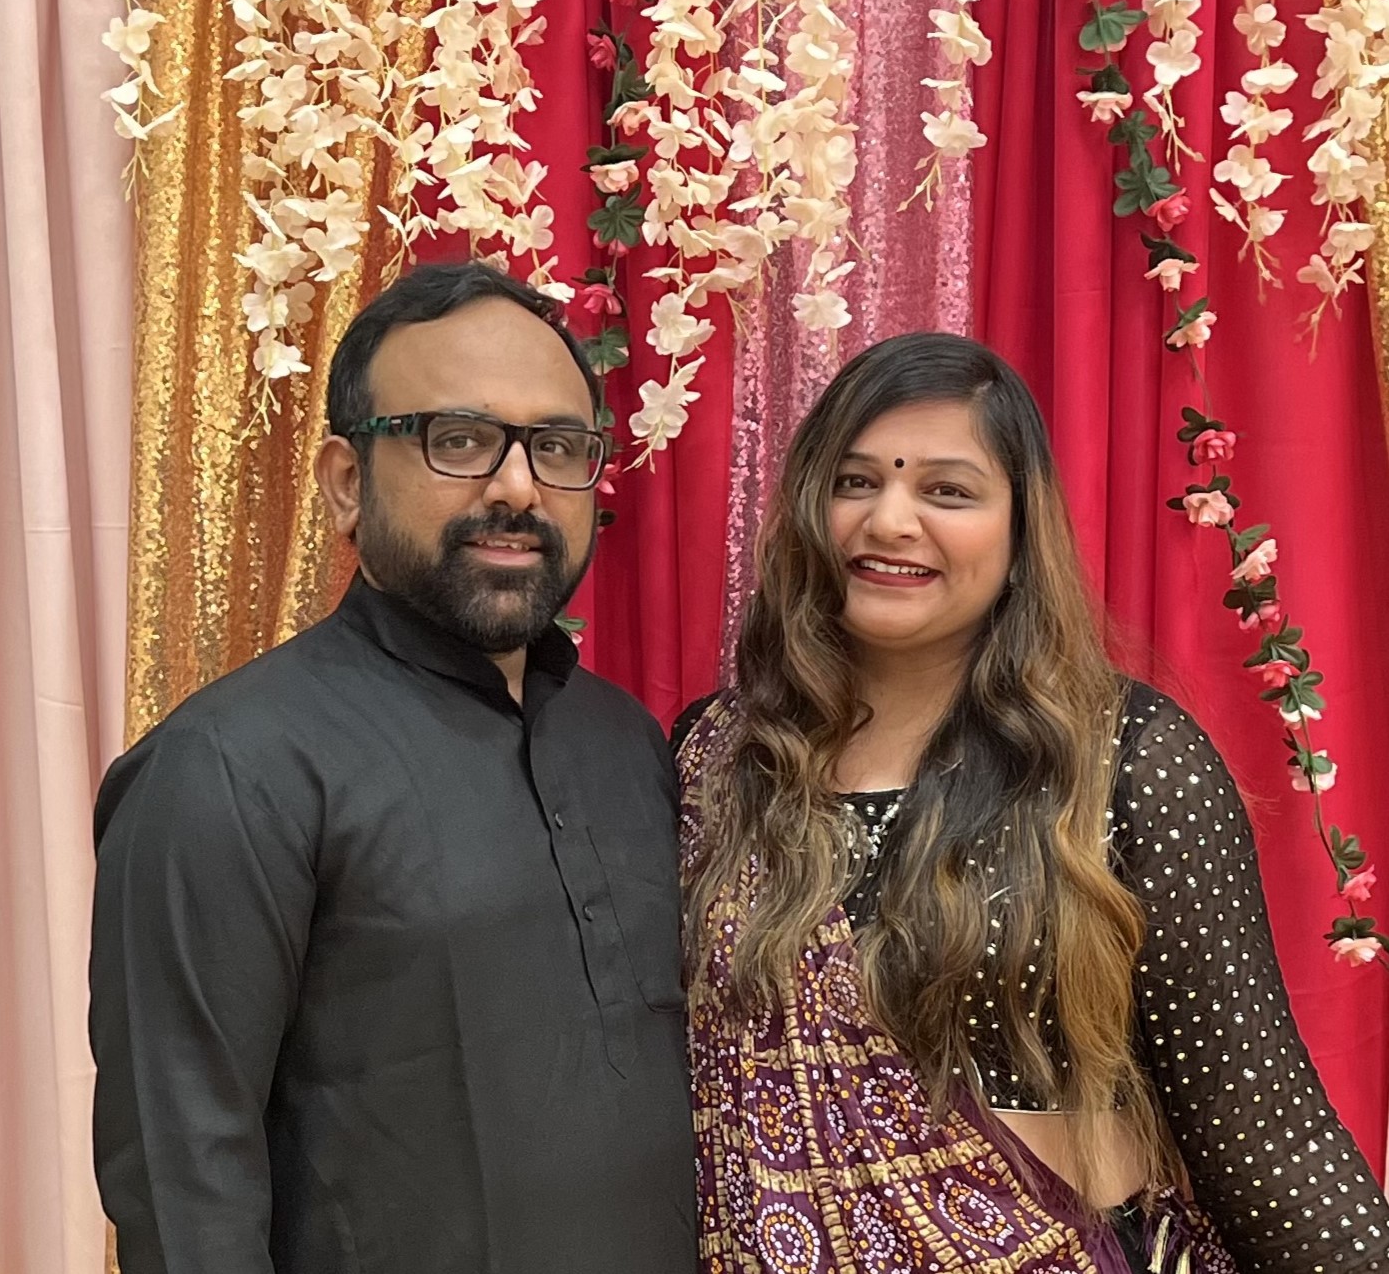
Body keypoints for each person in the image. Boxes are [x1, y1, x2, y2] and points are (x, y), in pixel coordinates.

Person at [674, 333, 1389, 1273]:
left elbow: (1267, 1141)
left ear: (1019, 535)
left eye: (947, 490)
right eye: (855, 482)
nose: (890, 520)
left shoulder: (1124, 759)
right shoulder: (718, 758)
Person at [90, 262, 695, 1274]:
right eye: (456, 439)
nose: (515, 486)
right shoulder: (229, 768)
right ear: (343, 481)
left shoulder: (625, 743)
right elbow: (182, 1180)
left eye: (556, 447)